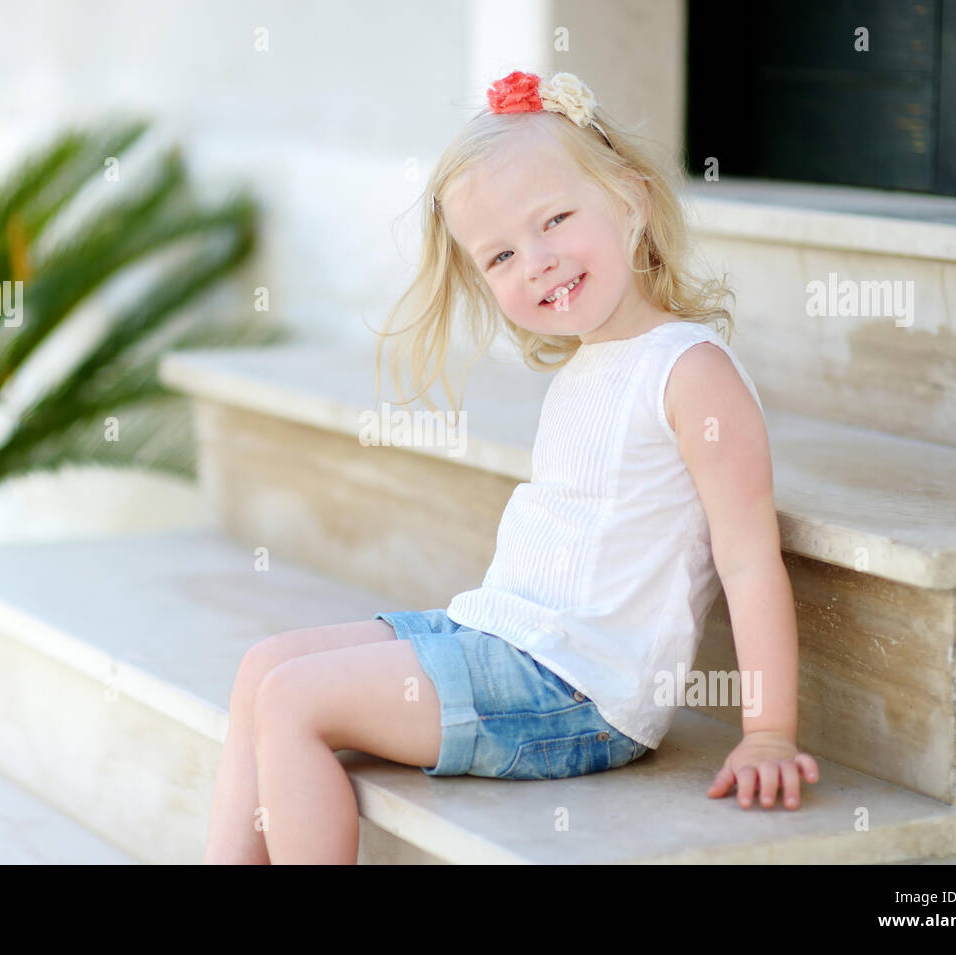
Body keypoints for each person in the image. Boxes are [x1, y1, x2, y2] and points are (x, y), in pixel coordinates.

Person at [203, 70, 819, 865]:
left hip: (577, 690)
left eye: (555, 218)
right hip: (505, 636)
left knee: (294, 700)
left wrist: (769, 729)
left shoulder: (688, 372)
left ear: (629, 201)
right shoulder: (586, 368)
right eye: (499, 255)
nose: (536, 262)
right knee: (264, 667)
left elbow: (746, 557)